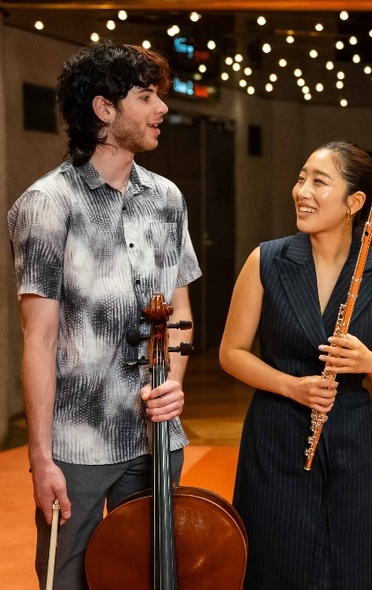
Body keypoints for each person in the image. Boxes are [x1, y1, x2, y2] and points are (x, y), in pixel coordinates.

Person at [7, 42, 200, 589]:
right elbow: (38, 340)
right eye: (146, 96)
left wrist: (176, 384)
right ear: (104, 109)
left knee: (151, 576)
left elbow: (179, 309)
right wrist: (41, 459)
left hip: (157, 436)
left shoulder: (167, 198)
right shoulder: (47, 204)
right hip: (78, 443)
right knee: (66, 580)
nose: (162, 108)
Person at [219, 140, 372, 589]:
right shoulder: (267, 260)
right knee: (275, 564)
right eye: (301, 177)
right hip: (276, 432)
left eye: (318, 182)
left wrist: (370, 361)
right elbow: (232, 353)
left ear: (355, 203)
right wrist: (292, 386)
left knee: (353, 565)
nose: (301, 190)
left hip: (350, 436)